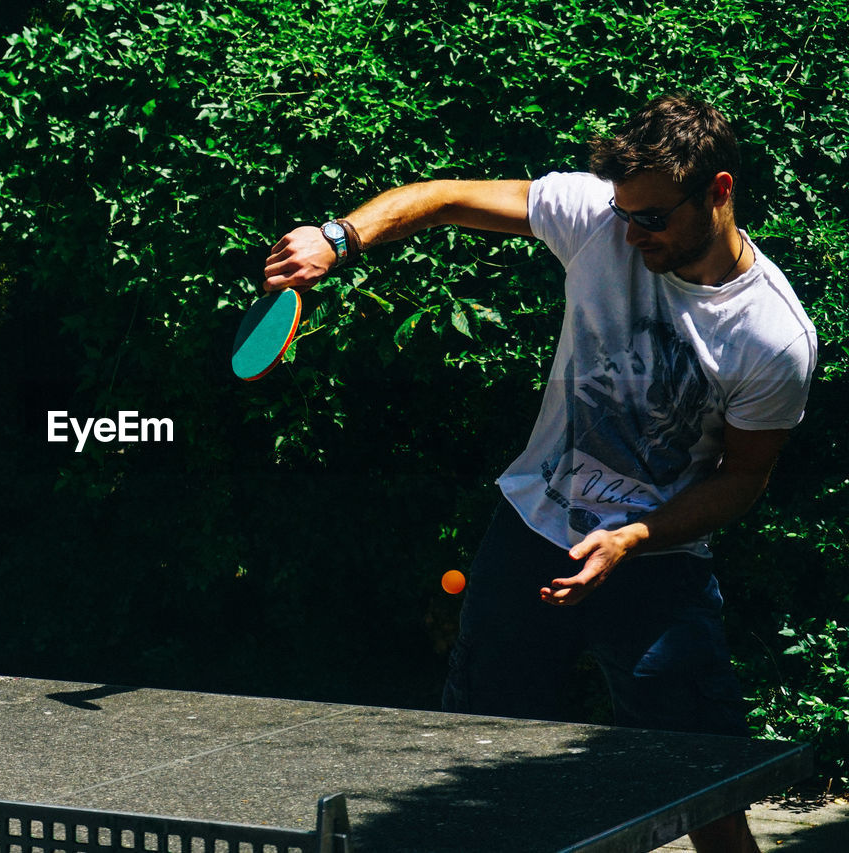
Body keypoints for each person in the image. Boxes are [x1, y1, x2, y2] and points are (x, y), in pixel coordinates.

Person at [261, 94, 817, 853]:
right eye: (625, 214)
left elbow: (743, 478)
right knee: (470, 752)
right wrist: (340, 236)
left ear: (718, 191)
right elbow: (447, 198)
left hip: (656, 566)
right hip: (531, 532)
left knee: (704, 789)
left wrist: (636, 537)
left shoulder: (772, 336)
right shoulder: (602, 219)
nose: (633, 233)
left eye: (652, 218)